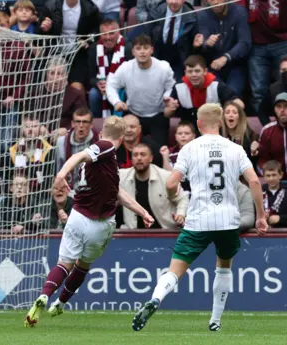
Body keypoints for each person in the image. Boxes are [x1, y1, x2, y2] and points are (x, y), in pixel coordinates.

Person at [132, 104, 268, 332]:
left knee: (175, 269)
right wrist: (261, 216)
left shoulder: (190, 149)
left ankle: (155, 299)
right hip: (227, 219)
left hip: (198, 220)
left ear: (199, 124)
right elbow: (254, 181)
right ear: (221, 122)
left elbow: (171, 183)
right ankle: (215, 321)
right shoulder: (234, 149)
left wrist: (172, 194)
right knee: (224, 267)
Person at [24, 116, 154, 327]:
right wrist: (61, 174)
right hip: (100, 223)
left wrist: (142, 212)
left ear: (102, 132)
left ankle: (46, 295)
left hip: (77, 216)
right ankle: (61, 302)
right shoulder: (104, 147)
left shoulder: (106, 161)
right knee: (82, 266)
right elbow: (79, 155)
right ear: (121, 138)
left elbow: (118, 192)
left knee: (64, 264)